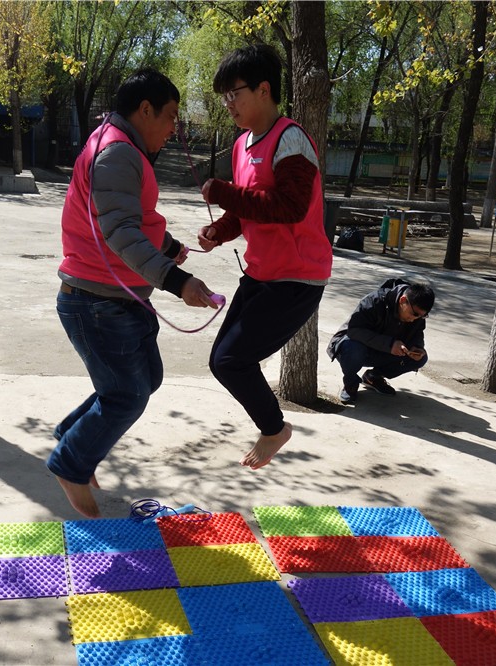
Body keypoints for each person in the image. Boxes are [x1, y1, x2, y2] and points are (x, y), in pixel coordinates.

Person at [52, 68, 218, 518]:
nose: (173, 128)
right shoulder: (118, 152)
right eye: (171, 116)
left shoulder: (117, 145)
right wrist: (177, 281)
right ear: (145, 110)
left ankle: (73, 437)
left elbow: (126, 216)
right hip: (96, 301)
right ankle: (71, 463)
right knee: (126, 394)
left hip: (115, 298)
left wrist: (167, 246)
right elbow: (120, 231)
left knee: (144, 380)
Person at [196, 44, 333, 470]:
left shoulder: (291, 138)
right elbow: (248, 208)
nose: (228, 103)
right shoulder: (241, 146)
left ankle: (274, 429)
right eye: (224, 96)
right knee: (222, 361)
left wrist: (224, 193)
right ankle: (274, 428)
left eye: (234, 93)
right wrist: (219, 231)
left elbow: (289, 207)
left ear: (264, 89)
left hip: (297, 278)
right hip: (261, 274)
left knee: (232, 360)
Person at [327, 278, 435, 402]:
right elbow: (354, 330)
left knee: (420, 359)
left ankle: (373, 377)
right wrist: (389, 344)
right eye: (414, 314)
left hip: (385, 351)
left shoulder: (417, 314)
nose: (415, 319)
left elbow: (417, 334)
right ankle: (350, 383)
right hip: (356, 347)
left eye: (423, 316)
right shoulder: (374, 301)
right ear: (403, 300)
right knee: (352, 347)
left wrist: (417, 347)